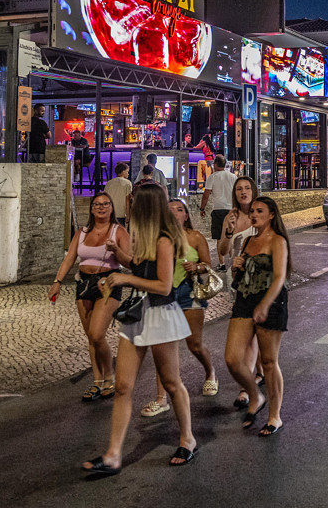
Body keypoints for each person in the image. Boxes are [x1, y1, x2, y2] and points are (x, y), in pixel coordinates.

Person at [82, 186, 197, 474]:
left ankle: (188, 439)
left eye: (131, 203)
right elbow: (137, 266)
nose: (127, 208)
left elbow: (164, 285)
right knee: (122, 387)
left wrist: (124, 280)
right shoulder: (143, 238)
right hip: (138, 316)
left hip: (160, 314)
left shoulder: (164, 241)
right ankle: (113, 454)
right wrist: (117, 270)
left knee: (171, 383)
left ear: (144, 208)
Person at [50, 193, 131, 403]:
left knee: (97, 334)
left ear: (112, 208)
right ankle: (97, 380)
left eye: (105, 204)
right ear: (92, 209)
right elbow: (69, 258)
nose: (101, 207)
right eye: (97, 204)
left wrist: (116, 250)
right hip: (84, 284)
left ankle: (109, 377)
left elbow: (130, 262)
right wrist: (57, 281)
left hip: (108, 284)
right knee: (91, 338)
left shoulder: (118, 231)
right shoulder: (82, 232)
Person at [142, 197, 218, 417]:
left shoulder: (195, 237)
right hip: (164, 296)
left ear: (186, 215)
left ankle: (210, 372)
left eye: (179, 209)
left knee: (194, 344)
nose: (174, 213)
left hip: (188, 292)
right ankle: (161, 398)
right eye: (169, 210)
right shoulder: (157, 239)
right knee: (163, 347)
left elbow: (208, 266)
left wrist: (196, 266)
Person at [224, 195, 291, 437]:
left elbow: (280, 277)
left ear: (271, 215)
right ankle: (255, 395)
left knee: (270, 363)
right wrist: (236, 267)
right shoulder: (248, 240)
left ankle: (275, 416)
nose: (253, 215)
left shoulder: (278, 241)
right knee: (232, 358)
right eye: (252, 211)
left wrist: (264, 305)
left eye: (259, 211)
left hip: (270, 302)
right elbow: (238, 278)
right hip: (244, 299)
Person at [216, 175, 264, 409]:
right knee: (251, 330)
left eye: (247, 188)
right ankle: (258, 372)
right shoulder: (231, 216)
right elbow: (223, 251)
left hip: (259, 280)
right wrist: (229, 231)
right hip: (236, 279)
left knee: (251, 331)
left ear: (253, 190)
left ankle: (247, 387)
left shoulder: (262, 213)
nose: (243, 192)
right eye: (239, 189)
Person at [201, 154, 236, 242]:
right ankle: (230, 255)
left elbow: (206, 195)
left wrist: (202, 208)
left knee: (219, 238)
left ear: (215, 164)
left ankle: (221, 256)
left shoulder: (212, 177)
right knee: (230, 237)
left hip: (218, 210)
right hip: (231, 210)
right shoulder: (233, 177)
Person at [103, 162, 133, 227]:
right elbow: (127, 200)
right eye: (127, 171)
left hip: (110, 212)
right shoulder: (127, 183)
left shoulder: (109, 183)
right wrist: (128, 214)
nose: (128, 173)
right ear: (123, 171)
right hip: (121, 213)